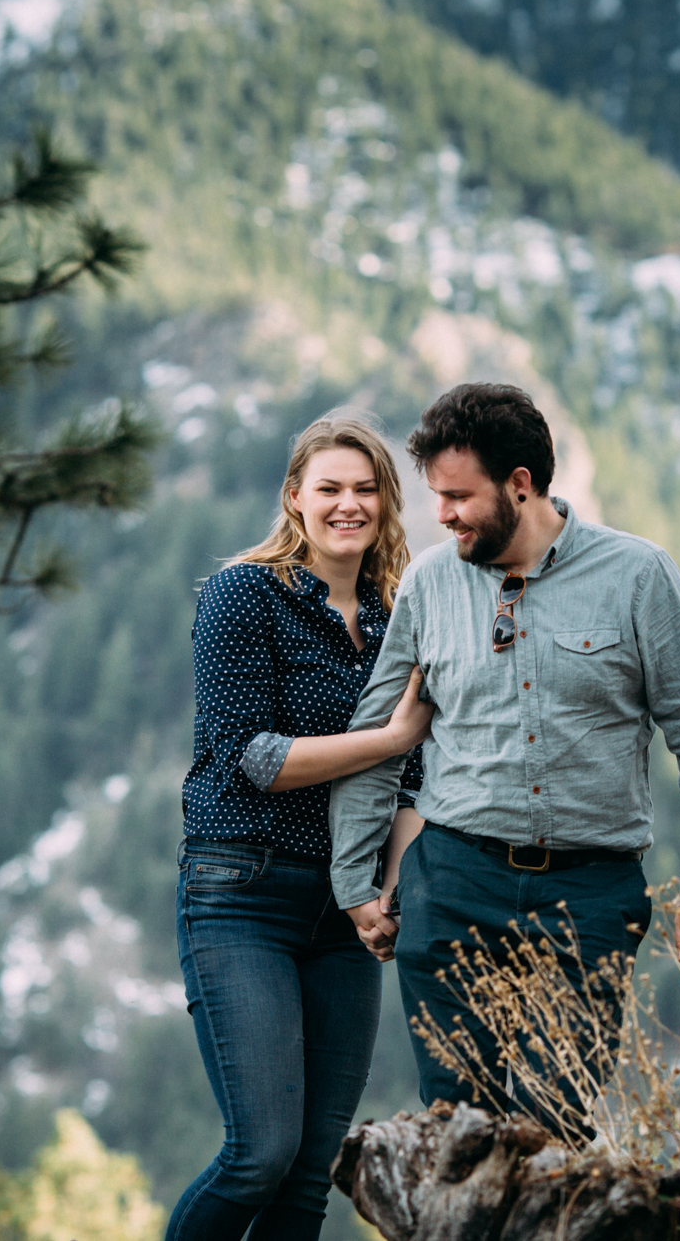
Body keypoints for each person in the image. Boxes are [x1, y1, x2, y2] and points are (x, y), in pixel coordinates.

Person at [329, 382, 680, 1129]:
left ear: (520, 485)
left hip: (589, 896)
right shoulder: (428, 582)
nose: (443, 514)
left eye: (459, 496)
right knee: (456, 1130)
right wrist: (355, 879)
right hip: (451, 884)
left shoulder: (639, 576)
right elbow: (374, 735)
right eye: (437, 496)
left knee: (554, 1125)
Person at [169, 414, 433, 1241]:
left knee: (311, 1170)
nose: (347, 504)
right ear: (295, 497)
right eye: (330, 488)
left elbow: (413, 779)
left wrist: (386, 892)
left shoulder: (401, 615)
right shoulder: (242, 594)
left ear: (387, 503)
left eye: (365, 489)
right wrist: (390, 736)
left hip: (345, 914)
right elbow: (253, 754)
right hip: (242, 891)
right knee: (260, 1153)